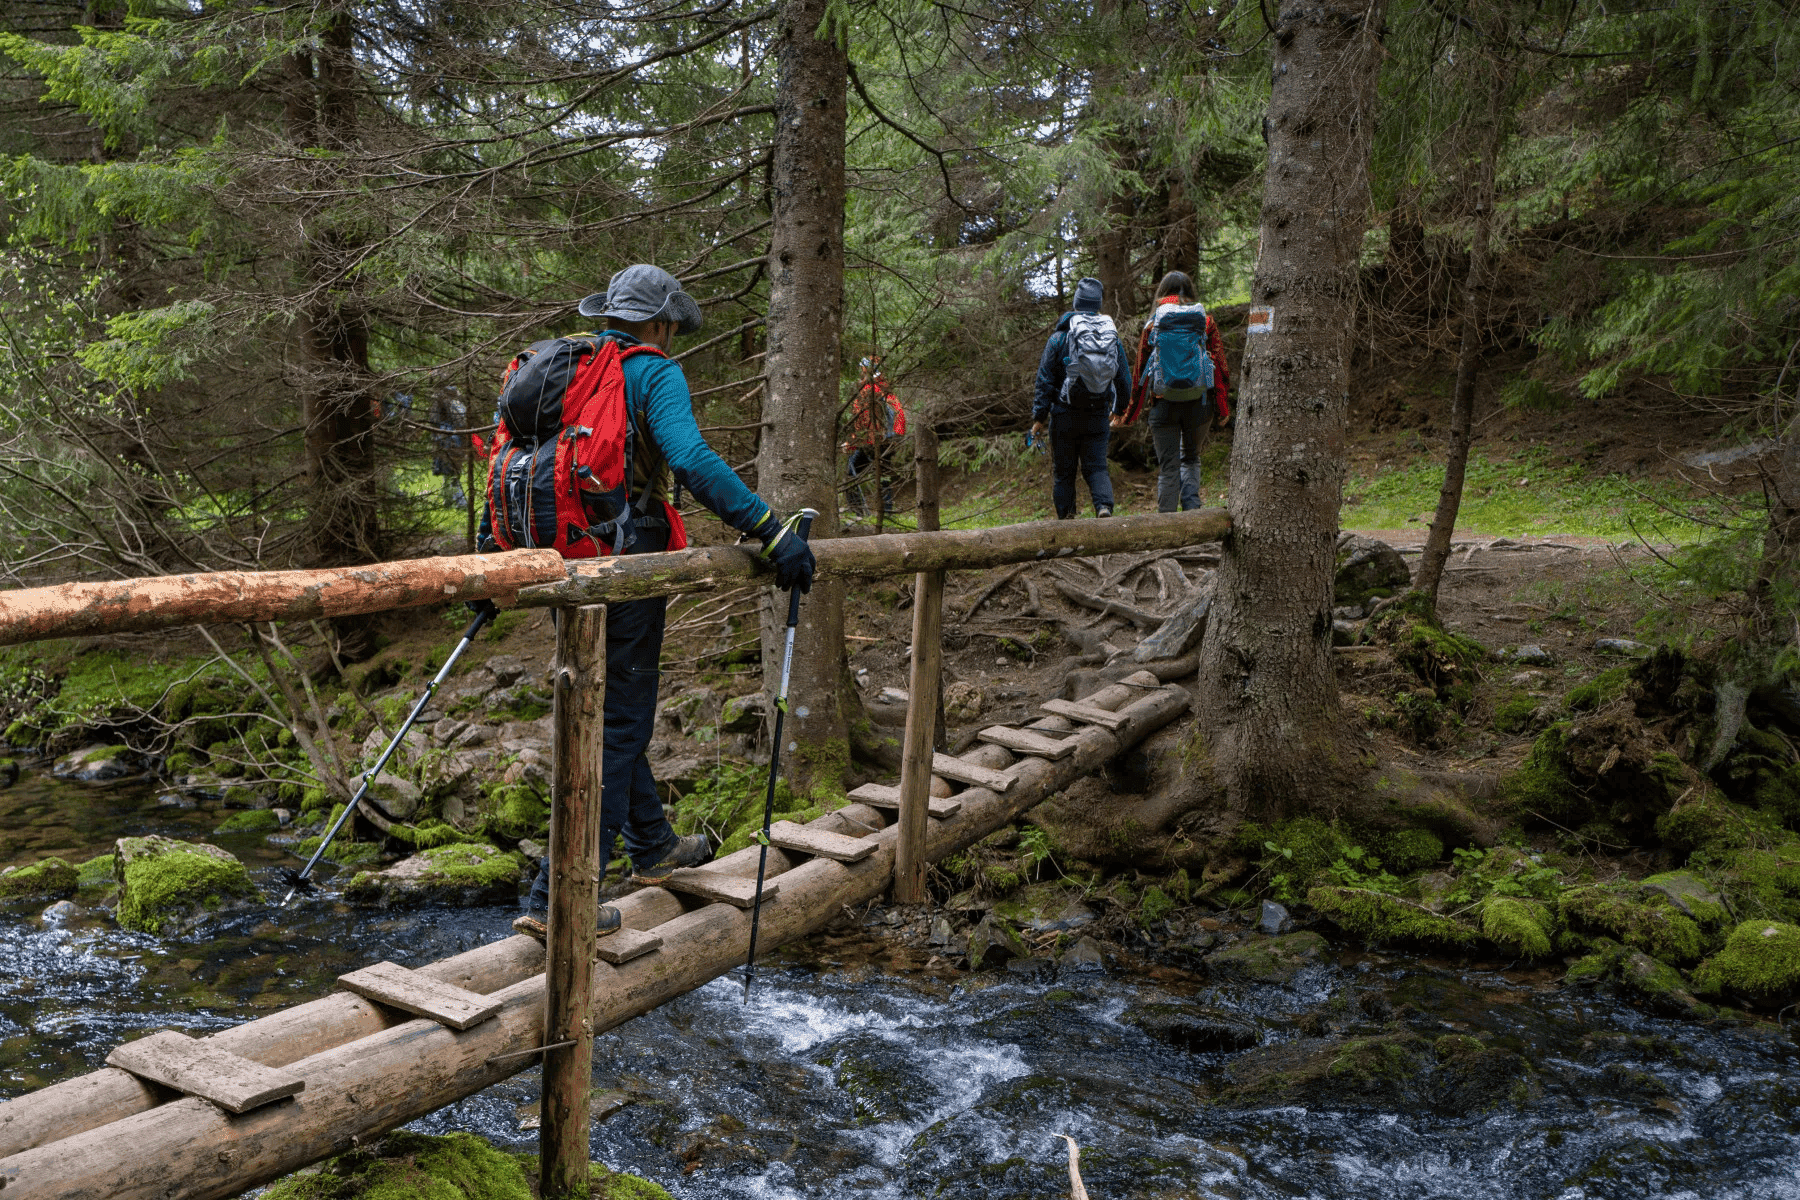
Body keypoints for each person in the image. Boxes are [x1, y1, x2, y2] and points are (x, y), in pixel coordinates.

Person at [482, 263, 817, 940]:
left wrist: (493, 568)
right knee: (620, 723)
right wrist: (772, 531)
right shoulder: (652, 371)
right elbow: (689, 459)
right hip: (627, 564)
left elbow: (506, 466)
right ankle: (561, 895)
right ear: (660, 323)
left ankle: (653, 846)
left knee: (612, 712)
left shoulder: (554, 372)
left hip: (560, 564)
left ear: (609, 313)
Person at [1129, 271, 1231, 513]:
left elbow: (1140, 371)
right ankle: (1193, 510)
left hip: (1163, 403)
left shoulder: (1154, 323)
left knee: (1168, 466)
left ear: (1162, 294)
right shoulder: (1205, 322)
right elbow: (1219, 368)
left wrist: (1129, 414)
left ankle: (1166, 519)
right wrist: (1223, 408)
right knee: (1191, 457)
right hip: (1199, 401)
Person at [1030, 277, 1131, 519]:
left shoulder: (1060, 337)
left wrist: (1039, 417)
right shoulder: (1111, 337)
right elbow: (1124, 379)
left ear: (1076, 303)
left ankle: (1067, 519)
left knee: (1064, 472)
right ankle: (1104, 508)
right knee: (1096, 467)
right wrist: (1119, 409)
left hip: (1064, 414)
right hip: (1097, 413)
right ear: (1097, 305)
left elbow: (1045, 379)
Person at [843, 355, 906, 517]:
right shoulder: (885, 389)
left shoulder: (869, 390)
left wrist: (851, 443)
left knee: (853, 474)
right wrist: (895, 436)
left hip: (871, 442)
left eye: (863, 368)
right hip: (883, 440)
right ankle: (884, 512)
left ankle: (863, 512)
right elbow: (899, 412)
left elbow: (861, 421)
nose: (861, 371)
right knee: (881, 475)